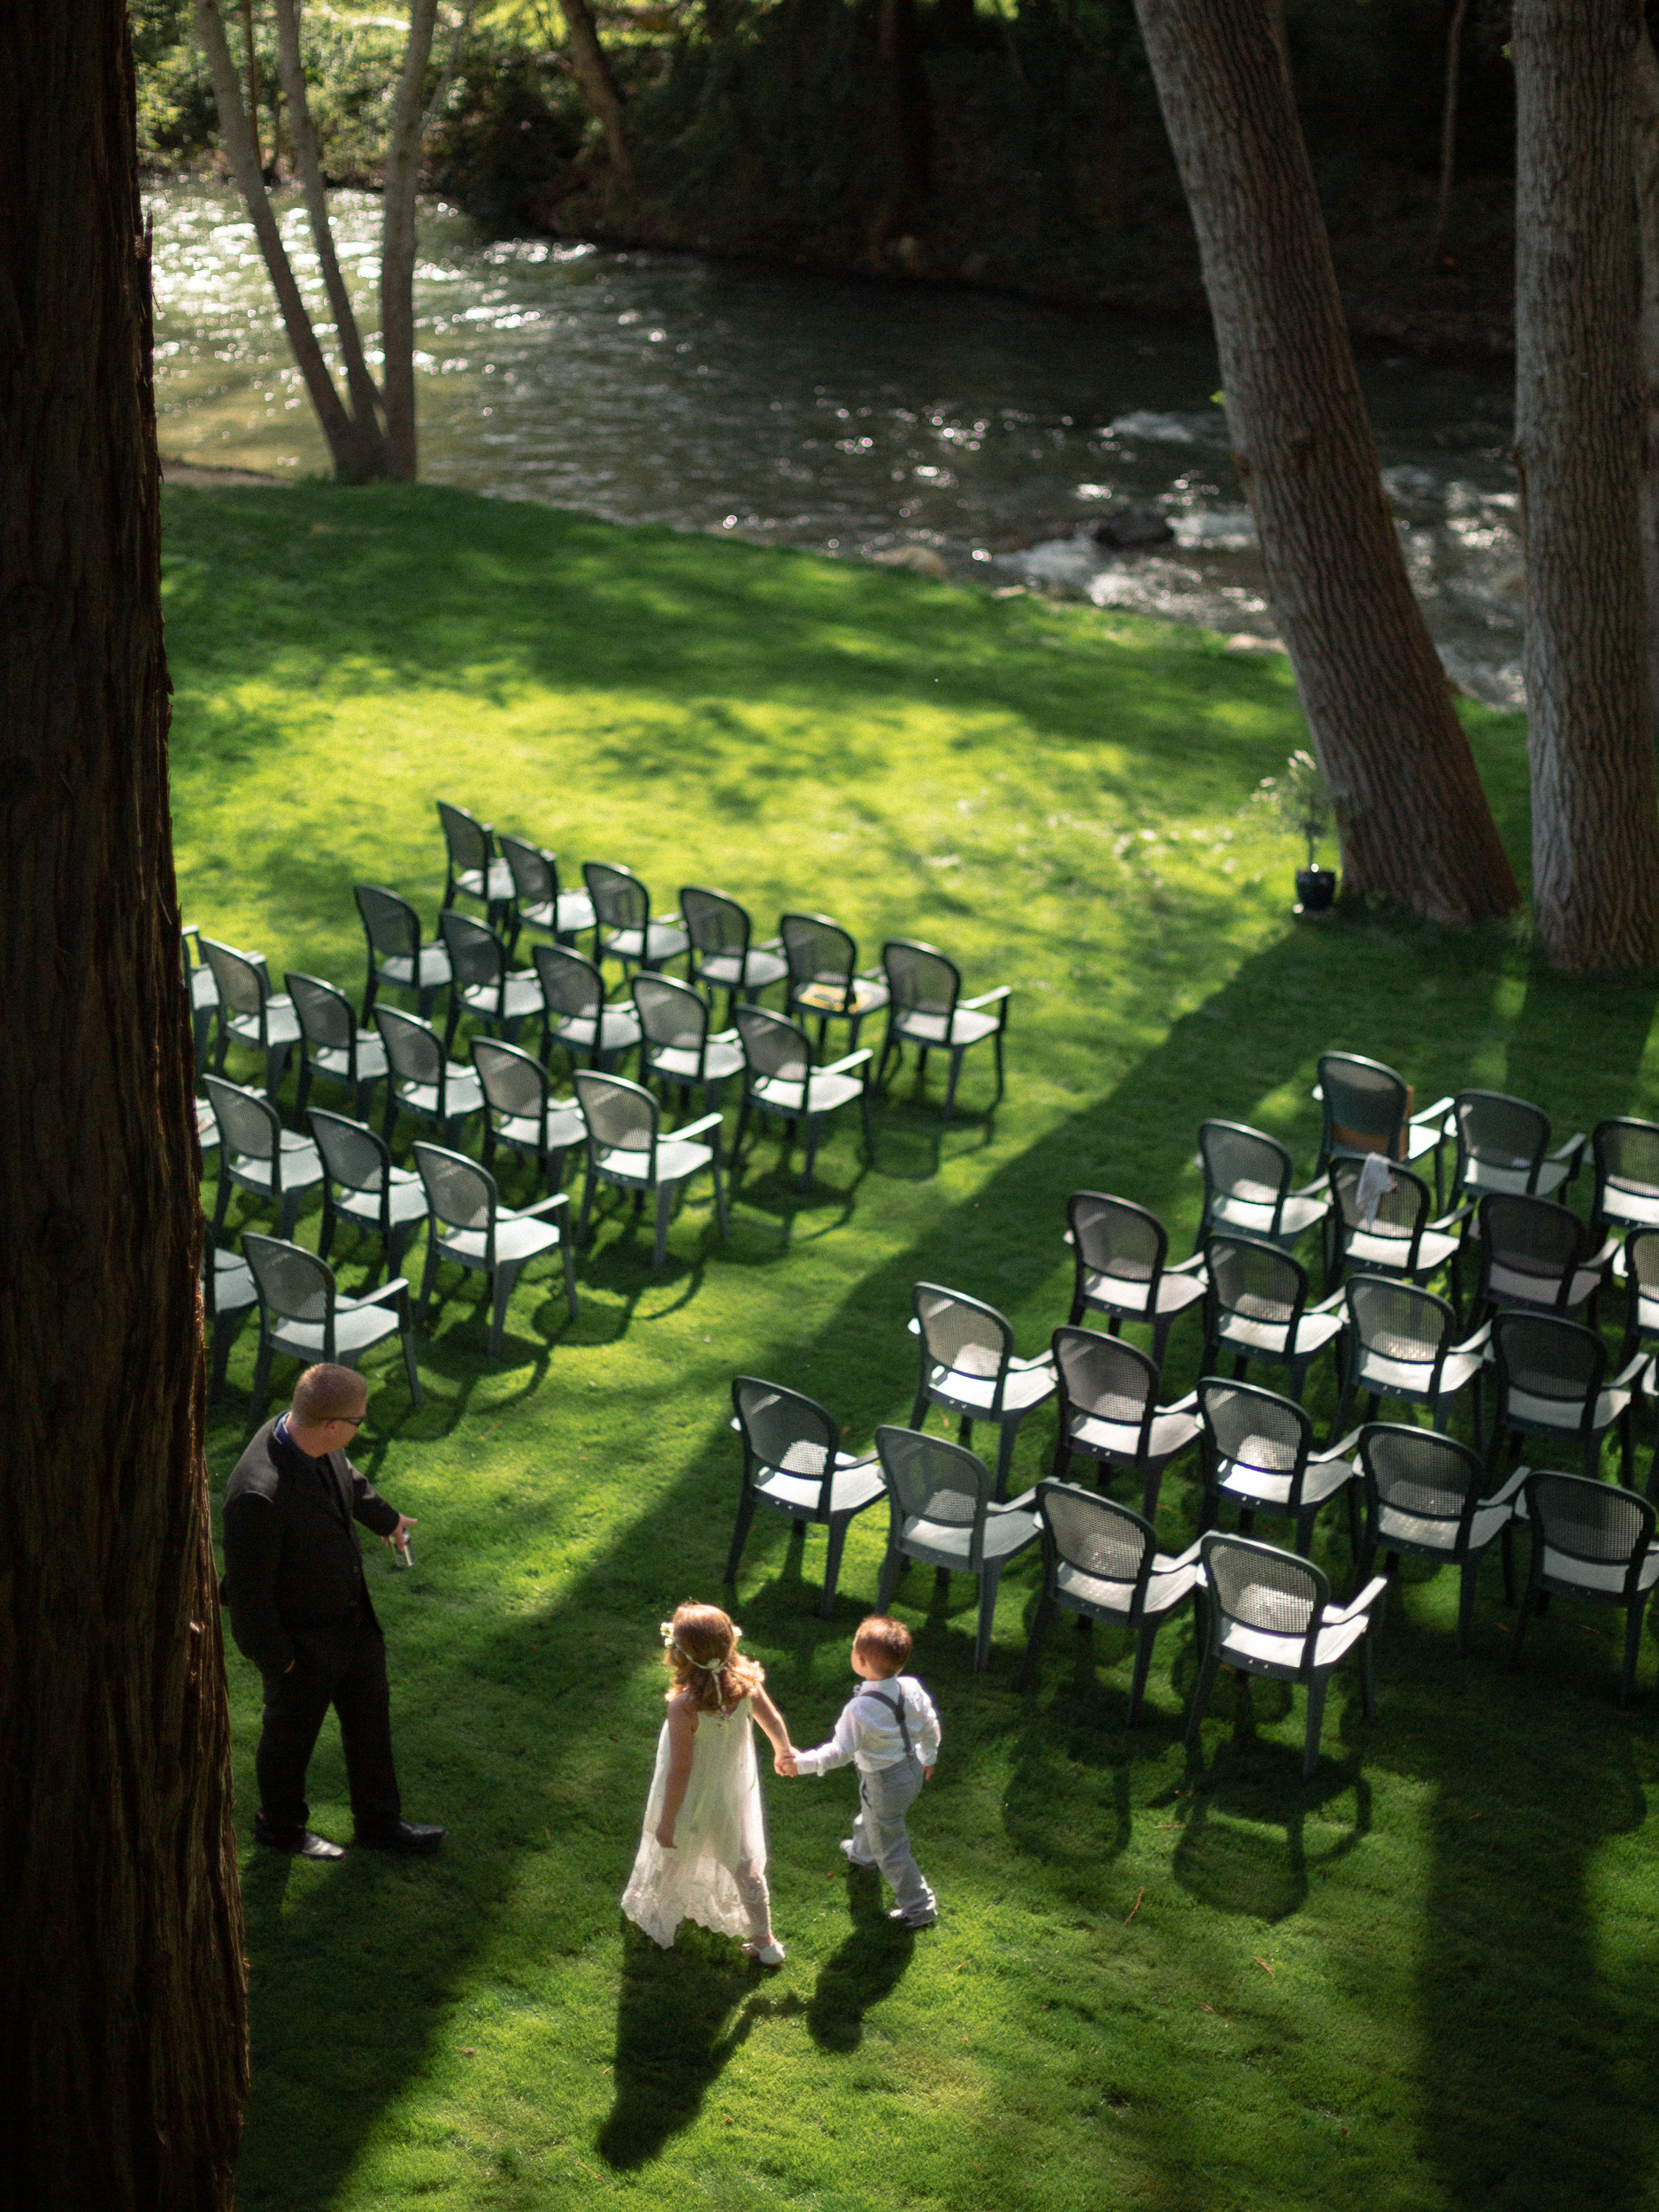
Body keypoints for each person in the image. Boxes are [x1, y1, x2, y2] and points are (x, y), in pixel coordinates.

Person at [219, 1361, 445, 1861]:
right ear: (330, 1425)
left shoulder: (309, 1436)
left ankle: (379, 1825)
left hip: (353, 1622)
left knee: (371, 1724)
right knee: (289, 1739)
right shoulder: (259, 1494)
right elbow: (249, 1598)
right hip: (301, 1644)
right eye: (358, 1421)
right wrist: (282, 1662)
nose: (360, 1429)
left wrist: (386, 1519)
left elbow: (346, 1476)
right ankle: (279, 1830)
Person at [620, 1602, 795, 1966]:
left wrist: (667, 1820)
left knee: (673, 1847)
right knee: (743, 1862)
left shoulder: (685, 1706)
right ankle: (765, 1940)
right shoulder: (746, 1684)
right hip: (730, 1793)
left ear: (679, 1654)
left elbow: (680, 1770)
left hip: (690, 1796)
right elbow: (773, 1720)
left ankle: (661, 1913)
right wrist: (784, 1751)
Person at [779, 1615, 940, 1929]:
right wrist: (929, 1755)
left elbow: (840, 1752)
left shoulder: (860, 1709)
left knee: (891, 1846)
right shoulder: (911, 1686)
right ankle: (863, 1854)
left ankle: (920, 1908)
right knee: (876, 1818)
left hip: (883, 1781)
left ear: (861, 1659)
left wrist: (801, 1764)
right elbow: (930, 1722)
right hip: (912, 1770)